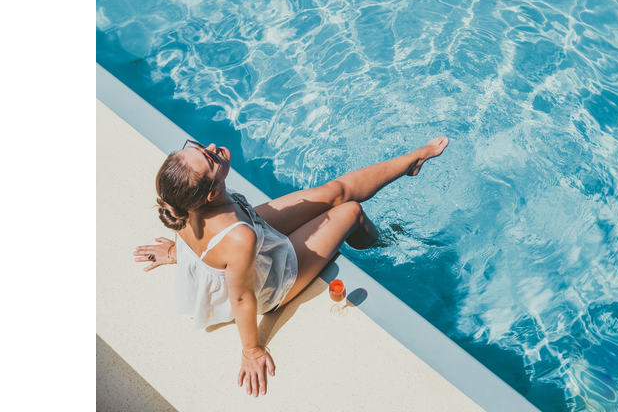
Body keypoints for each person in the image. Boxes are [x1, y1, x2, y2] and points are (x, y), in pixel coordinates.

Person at [133, 136, 449, 398]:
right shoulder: (237, 238)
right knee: (351, 211)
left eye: (199, 146)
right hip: (274, 279)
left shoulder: (178, 199)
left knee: (334, 193)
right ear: (212, 191)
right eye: (209, 156)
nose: (213, 146)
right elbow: (242, 299)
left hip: (256, 234)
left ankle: (413, 160)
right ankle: (384, 246)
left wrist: (177, 251)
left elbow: (198, 243)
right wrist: (252, 351)